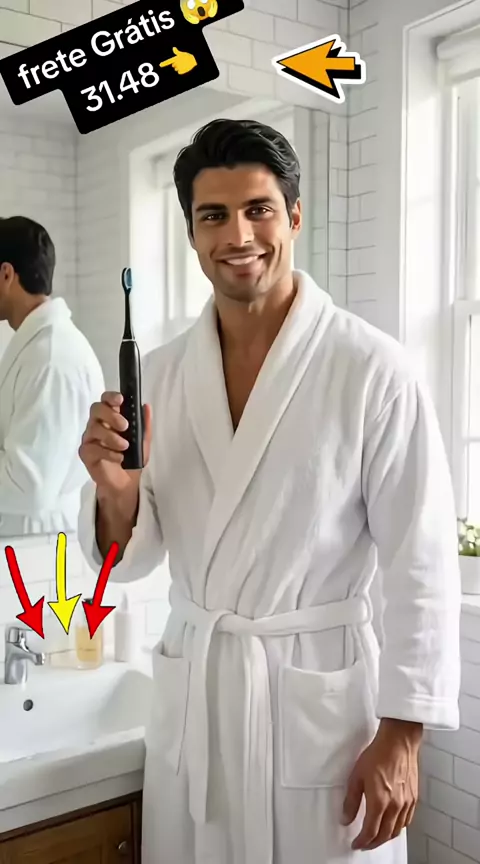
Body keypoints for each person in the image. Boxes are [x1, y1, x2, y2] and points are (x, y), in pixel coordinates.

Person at [77, 119, 461, 864]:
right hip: (199, 704)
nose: (237, 235)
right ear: (192, 234)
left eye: (258, 209)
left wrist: (403, 734)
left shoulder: (371, 368)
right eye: (213, 216)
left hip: (317, 710)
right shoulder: (160, 375)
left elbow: (422, 561)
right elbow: (132, 560)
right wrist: (115, 492)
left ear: (295, 216)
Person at [0, 216, 104, 536]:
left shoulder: (50, 357)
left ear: (6, 274)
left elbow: (30, 486)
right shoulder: (38, 347)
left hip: (38, 545)